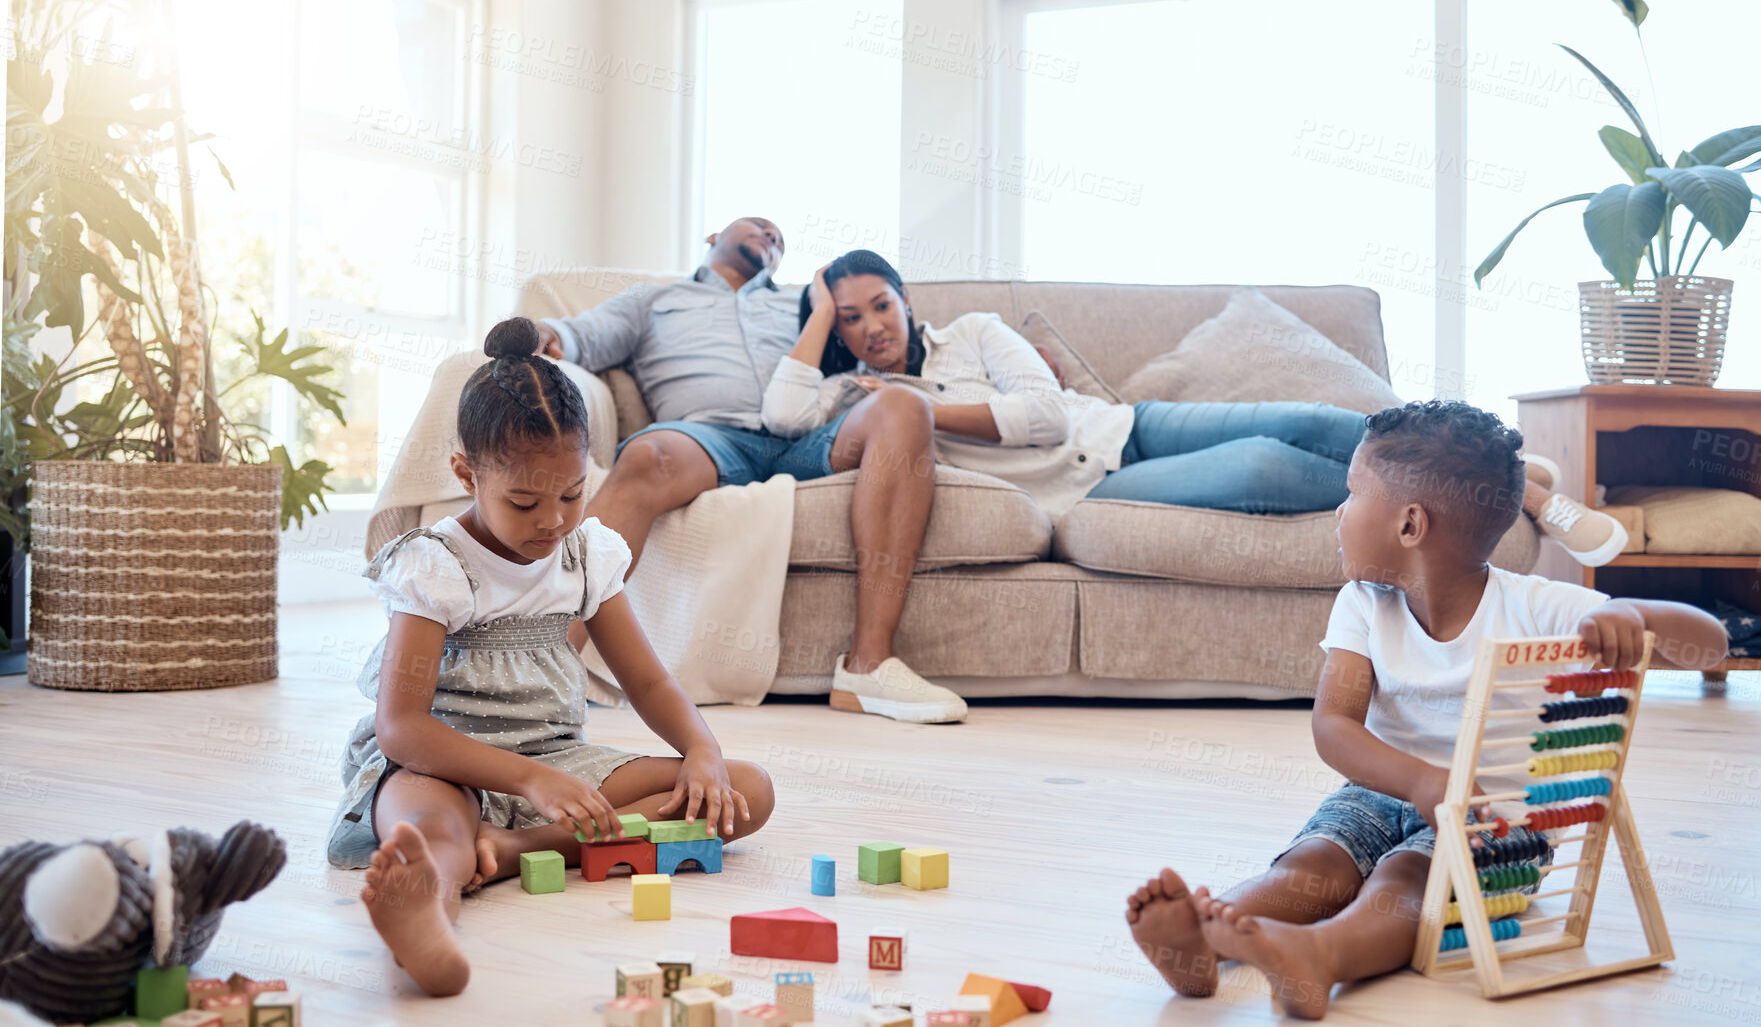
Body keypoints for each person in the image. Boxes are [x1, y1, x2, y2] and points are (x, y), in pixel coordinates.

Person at [1121, 401, 1727, 1020]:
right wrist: (1419, 783)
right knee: (1314, 865)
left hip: (1495, 818)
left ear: (1409, 525)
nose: (1338, 511)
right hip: (1381, 792)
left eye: (1353, 493)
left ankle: (1322, 956)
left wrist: (1634, 615)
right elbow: (1334, 727)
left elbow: (1711, 643)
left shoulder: (1536, 605)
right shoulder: (1362, 602)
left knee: (1405, 885)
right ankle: (1201, 937)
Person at [327, 318, 776, 997]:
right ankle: (428, 925)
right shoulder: (435, 566)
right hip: (447, 764)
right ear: (465, 473)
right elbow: (402, 727)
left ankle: (514, 853)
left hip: (559, 759)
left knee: (743, 790)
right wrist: (528, 782)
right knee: (433, 836)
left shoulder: (584, 555)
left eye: (571, 494)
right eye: (524, 501)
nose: (553, 521)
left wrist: (701, 750)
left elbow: (649, 681)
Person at [761, 249, 1630, 565]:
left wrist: (917, 400)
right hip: (1084, 491)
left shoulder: (978, 331)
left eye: (880, 304)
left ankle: (1510, 474)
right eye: (849, 317)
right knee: (1264, 467)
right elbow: (780, 416)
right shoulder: (856, 400)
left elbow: (1045, 417)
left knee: (1318, 421)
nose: (871, 326)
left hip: (1126, 426)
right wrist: (812, 316)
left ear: (906, 302)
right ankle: (1502, 487)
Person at [535, 218, 966, 723]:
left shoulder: (803, 305)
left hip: (808, 439)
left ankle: (867, 666)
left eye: (779, 237)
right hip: (708, 438)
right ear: (714, 236)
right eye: (758, 226)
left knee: (904, 407)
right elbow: (575, 337)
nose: (771, 235)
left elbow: (884, 356)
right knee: (648, 458)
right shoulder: (654, 300)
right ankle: (541, 668)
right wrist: (539, 333)